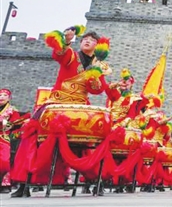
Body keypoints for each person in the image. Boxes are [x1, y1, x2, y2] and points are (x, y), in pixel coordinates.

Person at [10, 28, 111, 198]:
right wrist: (66, 41)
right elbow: (59, 54)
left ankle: (94, 179)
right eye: (85, 39)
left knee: (86, 142)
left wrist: (95, 76)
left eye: (92, 40)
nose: (87, 41)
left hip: (79, 107)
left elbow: (98, 90)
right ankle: (23, 182)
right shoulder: (72, 55)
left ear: (97, 46)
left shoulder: (98, 66)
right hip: (57, 103)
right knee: (31, 136)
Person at [0, 89, 26, 194]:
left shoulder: (12, 110)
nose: (1, 97)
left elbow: (15, 125)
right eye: (0, 95)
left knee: (5, 160)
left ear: (9, 98)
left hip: (5, 137)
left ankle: (5, 183)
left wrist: (5, 124)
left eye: (4, 95)